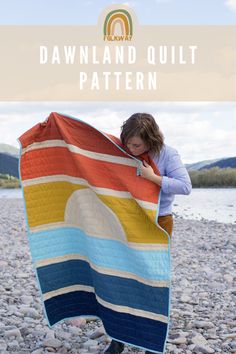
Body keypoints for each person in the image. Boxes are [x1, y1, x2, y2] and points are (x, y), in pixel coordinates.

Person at [104, 112, 192, 354]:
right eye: (128, 144)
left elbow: (186, 186)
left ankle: (151, 339)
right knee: (121, 276)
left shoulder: (167, 154)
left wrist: (154, 178)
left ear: (150, 140)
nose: (131, 149)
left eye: (137, 145)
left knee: (153, 279)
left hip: (158, 221)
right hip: (127, 220)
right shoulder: (122, 151)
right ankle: (118, 337)